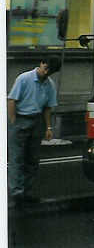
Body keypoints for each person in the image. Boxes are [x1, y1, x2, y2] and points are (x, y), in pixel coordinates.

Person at [7, 59, 57, 207]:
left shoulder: (50, 84)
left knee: (32, 160)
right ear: (42, 64)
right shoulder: (24, 78)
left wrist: (49, 128)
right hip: (21, 119)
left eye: (50, 71)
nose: (46, 73)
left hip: (37, 121)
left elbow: (48, 107)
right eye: (45, 68)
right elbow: (12, 100)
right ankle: (17, 194)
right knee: (17, 158)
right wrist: (13, 120)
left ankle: (27, 193)